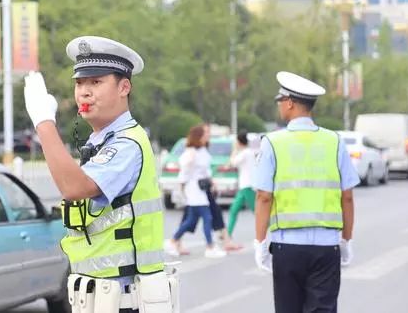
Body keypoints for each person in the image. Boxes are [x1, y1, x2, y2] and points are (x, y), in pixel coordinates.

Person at [24, 36, 177, 313]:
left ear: (124, 87)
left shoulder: (126, 144)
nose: (84, 92)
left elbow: (73, 187)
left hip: (124, 300)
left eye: (96, 82)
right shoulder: (101, 142)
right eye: (80, 83)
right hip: (100, 296)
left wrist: (43, 122)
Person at [253, 71, 360, 313]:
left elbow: (263, 196)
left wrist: (260, 242)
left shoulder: (272, 142)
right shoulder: (335, 141)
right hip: (327, 248)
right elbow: (348, 196)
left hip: (286, 248)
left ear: (290, 102)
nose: (279, 106)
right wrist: (346, 239)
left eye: (280, 100)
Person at [165, 125, 227, 258]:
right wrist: (182, 188)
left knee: (190, 220)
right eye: (205, 134)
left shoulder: (202, 151)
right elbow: (185, 170)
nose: (207, 136)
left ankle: (173, 240)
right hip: (193, 189)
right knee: (207, 217)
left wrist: (212, 182)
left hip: (201, 189)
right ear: (198, 136)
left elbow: (205, 170)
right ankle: (209, 247)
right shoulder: (191, 152)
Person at [226, 131, 257, 240]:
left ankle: (272, 230)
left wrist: (234, 150)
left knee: (257, 213)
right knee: (234, 210)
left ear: (239, 142)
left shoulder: (245, 153)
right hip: (245, 186)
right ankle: (227, 235)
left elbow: (232, 163)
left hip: (247, 186)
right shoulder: (250, 152)